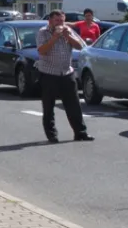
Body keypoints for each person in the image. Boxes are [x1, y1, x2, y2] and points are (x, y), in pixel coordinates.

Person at [36, 10, 94, 143]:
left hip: (67, 73)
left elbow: (81, 46)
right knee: (48, 107)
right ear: (50, 21)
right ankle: (52, 135)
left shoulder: (67, 31)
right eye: (57, 21)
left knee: (74, 105)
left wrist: (69, 37)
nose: (59, 23)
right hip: (49, 73)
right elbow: (42, 51)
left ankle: (80, 132)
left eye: (62, 20)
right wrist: (54, 38)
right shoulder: (43, 32)